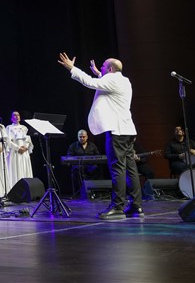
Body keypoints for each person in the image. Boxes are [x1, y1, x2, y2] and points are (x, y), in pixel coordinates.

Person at [58, 52, 143, 219]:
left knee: (117, 168)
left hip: (117, 131)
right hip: (127, 130)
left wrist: (72, 68)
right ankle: (136, 206)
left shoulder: (111, 79)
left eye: (103, 66)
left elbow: (90, 83)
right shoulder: (124, 80)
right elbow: (102, 82)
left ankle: (117, 206)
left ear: (110, 69)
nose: (101, 67)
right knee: (130, 169)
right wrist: (99, 73)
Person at [6, 111, 34, 184]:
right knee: (16, 169)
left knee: (25, 168)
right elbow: (8, 141)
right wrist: (18, 148)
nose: (16, 116)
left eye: (18, 115)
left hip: (24, 152)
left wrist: (25, 147)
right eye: (14, 115)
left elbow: (28, 140)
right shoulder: (9, 128)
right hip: (15, 152)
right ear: (11, 118)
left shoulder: (24, 128)